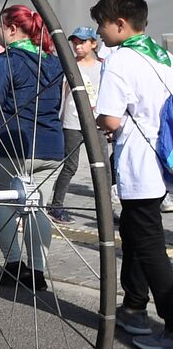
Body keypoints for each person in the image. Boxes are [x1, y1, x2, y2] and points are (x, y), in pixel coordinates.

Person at [90, 0, 173, 349]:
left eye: (101, 25)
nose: (98, 33)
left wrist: (97, 120)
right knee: (137, 232)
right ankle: (134, 308)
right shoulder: (162, 55)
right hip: (161, 158)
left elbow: (110, 117)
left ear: (120, 24)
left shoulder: (121, 59)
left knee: (150, 243)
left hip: (138, 161)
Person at [0, 4, 63, 292]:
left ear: (11, 28)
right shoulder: (53, 62)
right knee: (37, 207)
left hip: (11, 145)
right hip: (51, 147)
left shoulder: (4, 62)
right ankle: (38, 271)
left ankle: (13, 264)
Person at [48, 25, 103, 223]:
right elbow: (60, 93)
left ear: (93, 43)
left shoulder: (103, 66)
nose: (77, 46)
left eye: (82, 42)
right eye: (75, 43)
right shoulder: (69, 66)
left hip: (97, 122)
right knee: (70, 166)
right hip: (72, 122)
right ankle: (56, 205)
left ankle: (105, 209)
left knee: (101, 167)